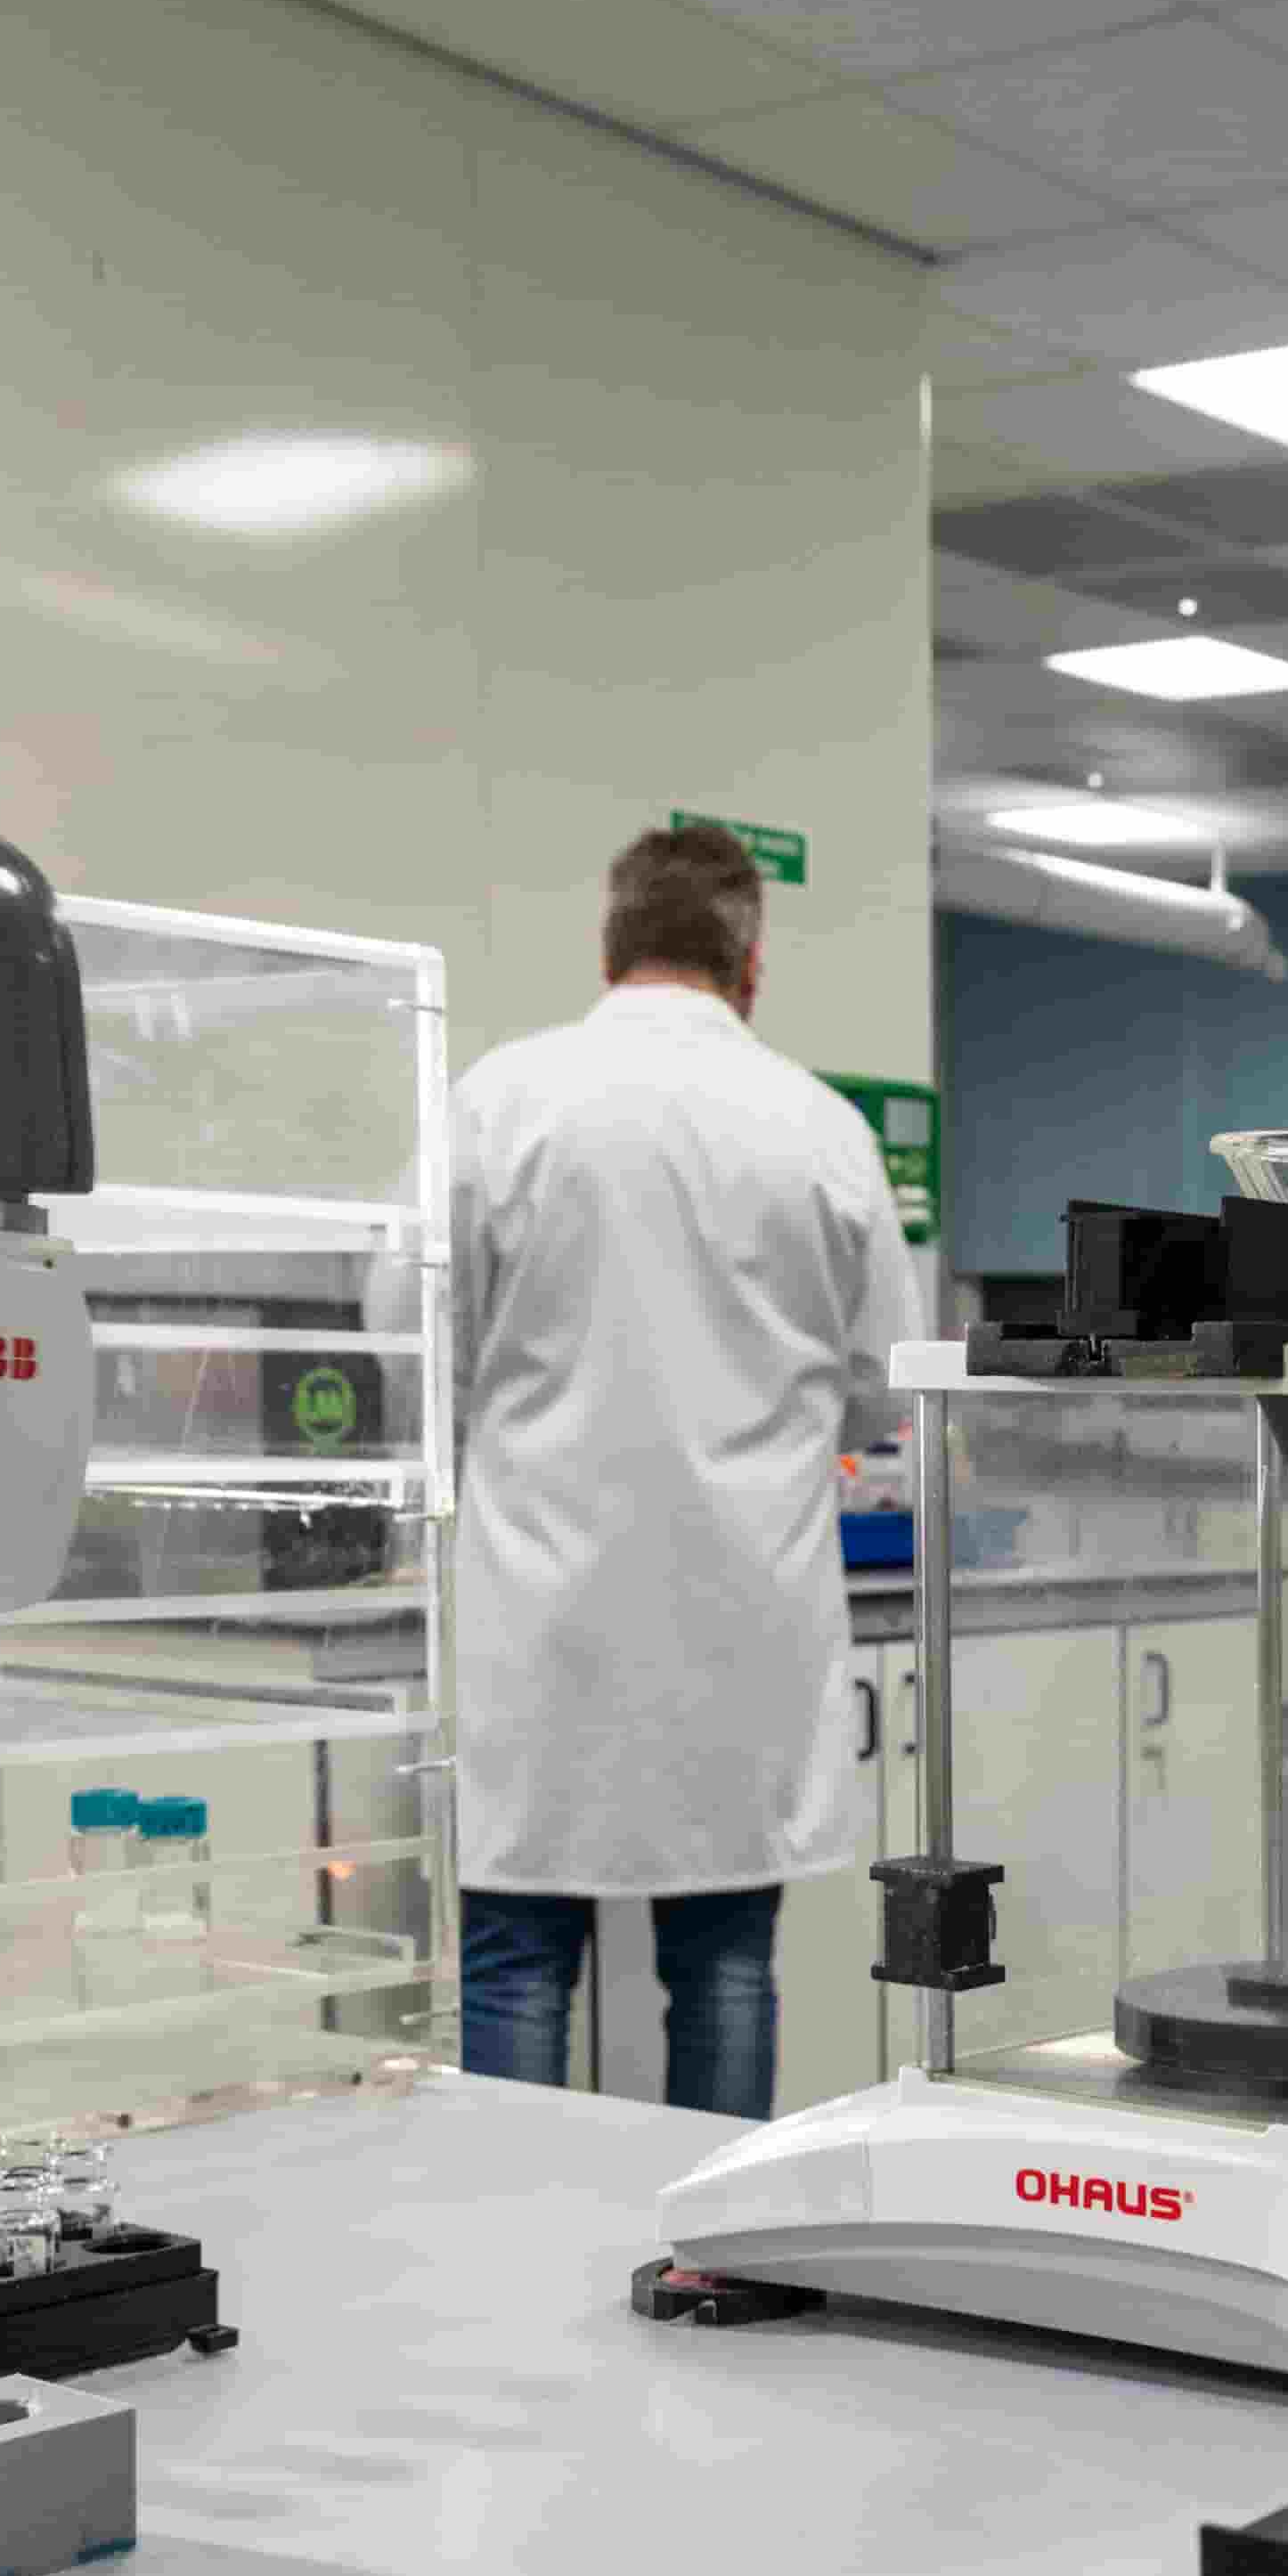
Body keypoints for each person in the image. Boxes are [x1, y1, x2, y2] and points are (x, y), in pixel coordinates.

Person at [444, 825, 925, 2118]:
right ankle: (711, 2248)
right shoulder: (817, 1127)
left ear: (607, 944)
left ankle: (506, 2237)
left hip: (540, 1606)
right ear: (750, 964)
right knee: (722, 1962)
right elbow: (886, 1376)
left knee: (514, 1958)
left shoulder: (501, 1100)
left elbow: (420, 1336)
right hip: (741, 1608)